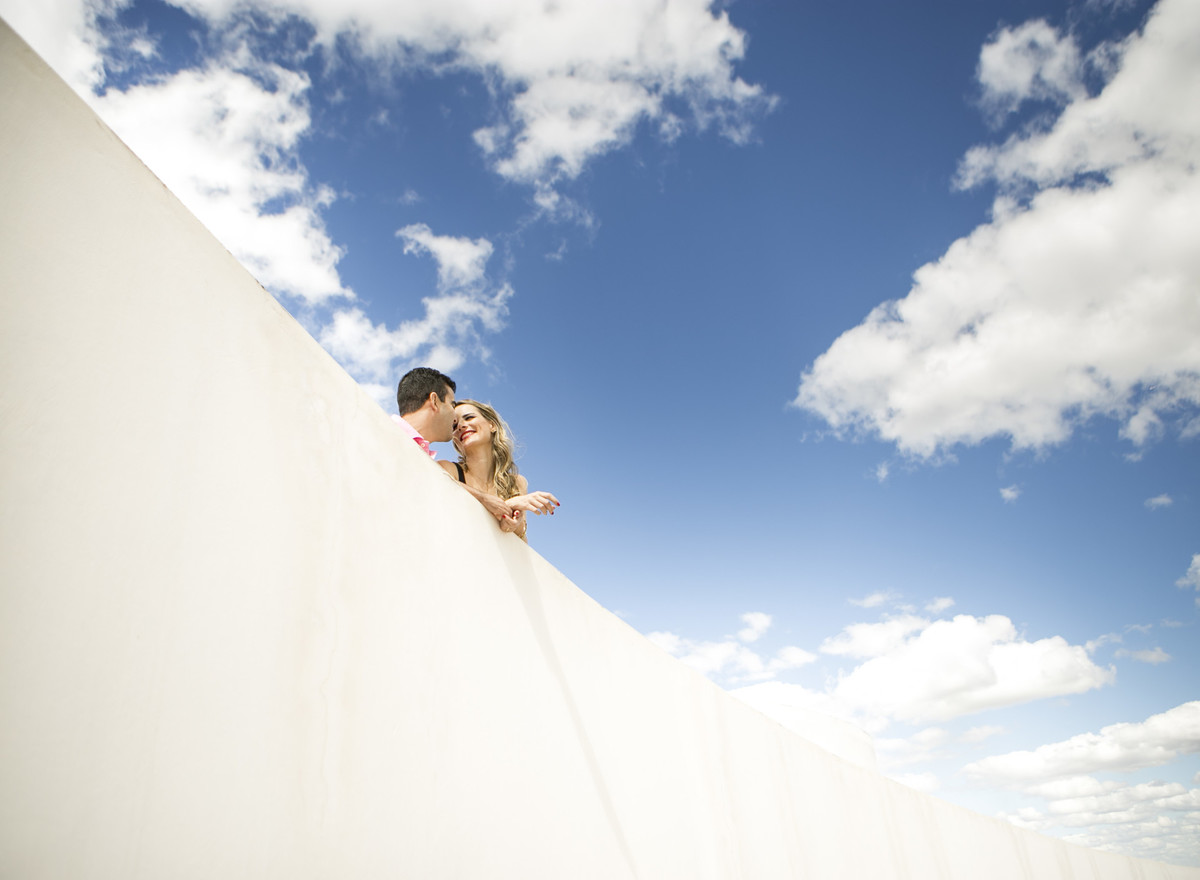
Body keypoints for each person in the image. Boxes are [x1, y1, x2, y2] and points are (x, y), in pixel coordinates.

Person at [393, 367, 513, 528]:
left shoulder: (422, 457)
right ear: (435, 401)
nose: (458, 424)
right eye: (452, 404)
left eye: (469, 418)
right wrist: (483, 498)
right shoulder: (382, 432)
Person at [438, 399, 559, 542]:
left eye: (469, 417)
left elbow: (521, 543)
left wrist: (514, 524)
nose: (461, 426)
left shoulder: (516, 483)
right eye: (454, 425)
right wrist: (488, 500)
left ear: (492, 425)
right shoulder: (448, 469)